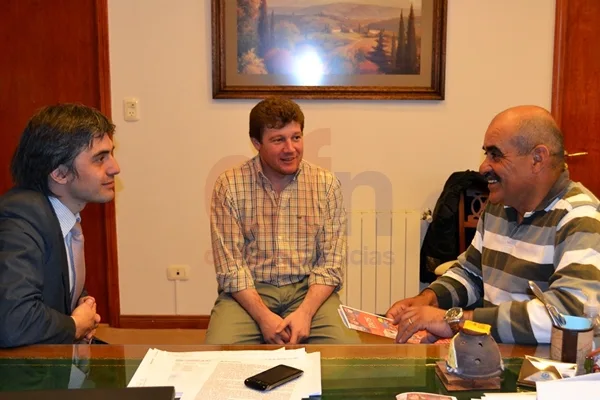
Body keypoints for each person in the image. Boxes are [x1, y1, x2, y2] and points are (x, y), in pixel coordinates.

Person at [386, 105, 600, 345]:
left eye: (495, 155)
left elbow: (569, 315)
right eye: (486, 154)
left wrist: (456, 322)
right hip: (495, 355)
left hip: (546, 372)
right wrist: (429, 299)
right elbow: (472, 273)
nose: (483, 167)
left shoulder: (581, 217)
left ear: (537, 159)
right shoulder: (499, 206)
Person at [205, 96, 359, 344]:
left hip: (307, 291)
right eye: (278, 140)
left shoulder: (326, 184)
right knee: (218, 358)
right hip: (250, 292)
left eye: (296, 137)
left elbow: (331, 264)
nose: (290, 149)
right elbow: (230, 267)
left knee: (345, 359)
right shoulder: (230, 185)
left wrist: (305, 313)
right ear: (256, 143)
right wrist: (264, 318)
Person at [0, 103, 121, 347]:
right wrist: (76, 326)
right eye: (100, 159)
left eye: (111, 153)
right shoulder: (19, 219)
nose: (115, 168)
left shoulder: (59, 213)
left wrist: (82, 304)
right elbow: (14, 322)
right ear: (60, 174)